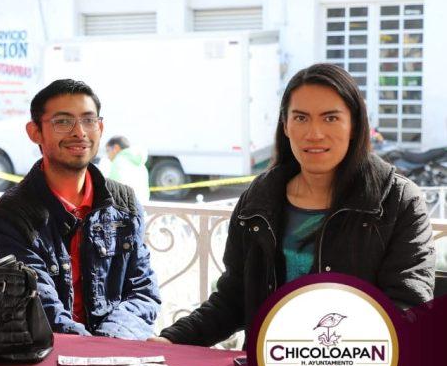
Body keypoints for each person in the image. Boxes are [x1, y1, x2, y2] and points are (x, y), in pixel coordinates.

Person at [156, 63, 435, 347]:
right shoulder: (258, 200)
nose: (314, 133)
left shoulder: (398, 201)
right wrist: (171, 340)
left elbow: (407, 309)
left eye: (330, 118)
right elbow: (234, 298)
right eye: (301, 118)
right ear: (286, 125)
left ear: (354, 125)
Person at [0, 79, 161, 339]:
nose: (79, 132)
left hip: (117, 352)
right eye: (63, 122)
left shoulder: (123, 202)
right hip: (47, 360)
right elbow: (41, 311)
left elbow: (143, 291)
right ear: (35, 132)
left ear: (100, 128)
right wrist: (93, 350)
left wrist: (109, 342)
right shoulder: (9, 217)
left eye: (89, 121)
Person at [105, 135, 150, 202]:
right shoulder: (141, 164)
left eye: (108, 151)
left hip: (126, 208)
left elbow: (112, 189)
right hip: (143, 206)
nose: (108, 156)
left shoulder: (119, 161)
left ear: (116, 148)